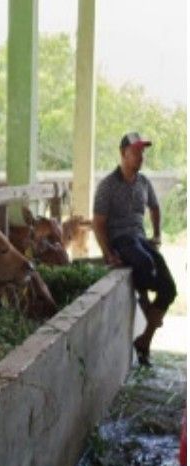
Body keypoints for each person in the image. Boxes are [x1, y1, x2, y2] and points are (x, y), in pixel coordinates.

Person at [92, 131, 178, 367]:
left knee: (170, 289)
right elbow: (98, 223)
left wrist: (157, 234)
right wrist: (108, 253)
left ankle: (144, 340)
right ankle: (144, 302)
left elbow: (155, 207)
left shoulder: (144, 182)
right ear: (123, 154)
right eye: (136, 152)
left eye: (143, 152)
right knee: (145, 264)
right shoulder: (107, 186)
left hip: (141, 239)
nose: (141, 156)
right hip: (121, 240)